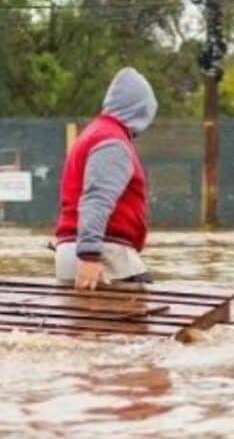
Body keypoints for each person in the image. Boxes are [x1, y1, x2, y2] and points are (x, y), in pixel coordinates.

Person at [54, 67, 158, 290]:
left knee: (83, 325)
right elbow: (97, 199)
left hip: (72, 249)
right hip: (104, 253)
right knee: (148, 318)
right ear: (140, 111)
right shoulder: (112, 142)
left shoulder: (92, 133)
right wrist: (90, 255)